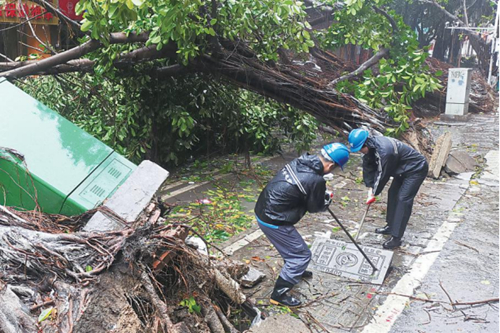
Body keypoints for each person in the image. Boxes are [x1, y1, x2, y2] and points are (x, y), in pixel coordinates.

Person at [254, 143, 350, 307]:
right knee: (301, 256)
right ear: (331, 165)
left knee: (292, 248)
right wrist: (325, 199)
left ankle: (294, 270)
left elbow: (303, 188)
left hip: (263, 209)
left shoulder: (301, 161)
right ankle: (279, 295)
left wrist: (320, 192)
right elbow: (315, 207)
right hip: (274, 219)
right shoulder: (316, 180)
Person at [348, 128, 428, 250]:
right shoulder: (371, 148)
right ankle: (391, 226)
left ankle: (396, 238)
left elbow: (382, 174)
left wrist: (374, 193)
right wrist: (370, 188)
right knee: (393, 194)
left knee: (403, 199)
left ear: (366, 144)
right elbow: (368, 167)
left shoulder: (385, 151)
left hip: (415, 169)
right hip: (401, 169)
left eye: (360, 149)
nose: (360, 152)